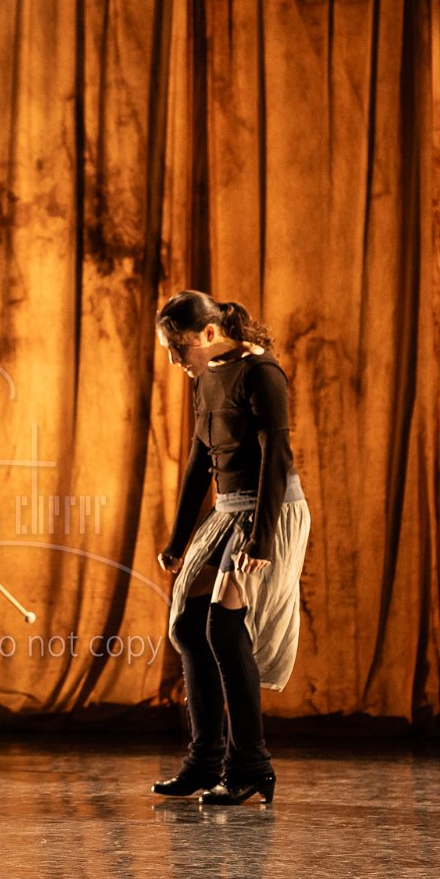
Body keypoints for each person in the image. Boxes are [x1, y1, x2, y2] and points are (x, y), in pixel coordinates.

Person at [150, 290, 310, 805]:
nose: (176, 361)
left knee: (223, 625)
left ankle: (250, 766)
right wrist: (178, 540)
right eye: (170, 351)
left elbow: (276, 457)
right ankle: (204, 761)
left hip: (269, 510)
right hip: (227, 512)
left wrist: (261, 538)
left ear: (210, 333)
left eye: (180, 348)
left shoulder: (261, 372)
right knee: (188, 626)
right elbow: (201, 458)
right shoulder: (208, 376)